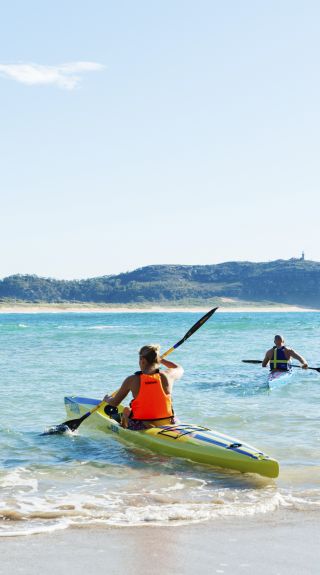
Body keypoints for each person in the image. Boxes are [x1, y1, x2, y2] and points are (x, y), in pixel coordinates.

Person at [103, 344, 184, 430]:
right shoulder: (168, 375)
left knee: (126, 410)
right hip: (168, 421)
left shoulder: (132, 380)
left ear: (142, 360)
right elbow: (179, 368)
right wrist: (161, 360)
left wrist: (107, 399)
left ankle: (123, 433)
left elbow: (115, 403)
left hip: (143, 424)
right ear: (157, 359)